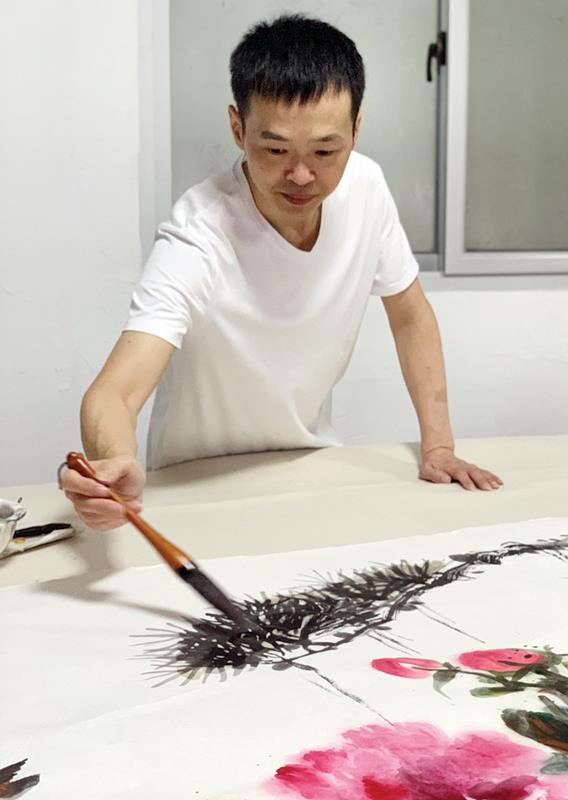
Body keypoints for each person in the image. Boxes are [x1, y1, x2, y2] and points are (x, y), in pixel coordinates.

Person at [61, 14, 502, 531]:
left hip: (312, 466)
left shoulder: (366, 189)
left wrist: (439, 446)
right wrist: (114, 460)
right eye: (275, 150)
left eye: (326, 150)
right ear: (237, 128)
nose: (301, 174)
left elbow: (411, 318)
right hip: (197, 483)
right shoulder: (199, 232)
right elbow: (113, 392)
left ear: (356, 129)